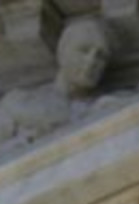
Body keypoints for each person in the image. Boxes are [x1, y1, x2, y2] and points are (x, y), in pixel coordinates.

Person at [0, 19, 112, 149]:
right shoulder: (17, 102)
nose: (91, 61)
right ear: (62, 51)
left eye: (101, 56)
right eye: (84, 50)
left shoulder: (106, 107)